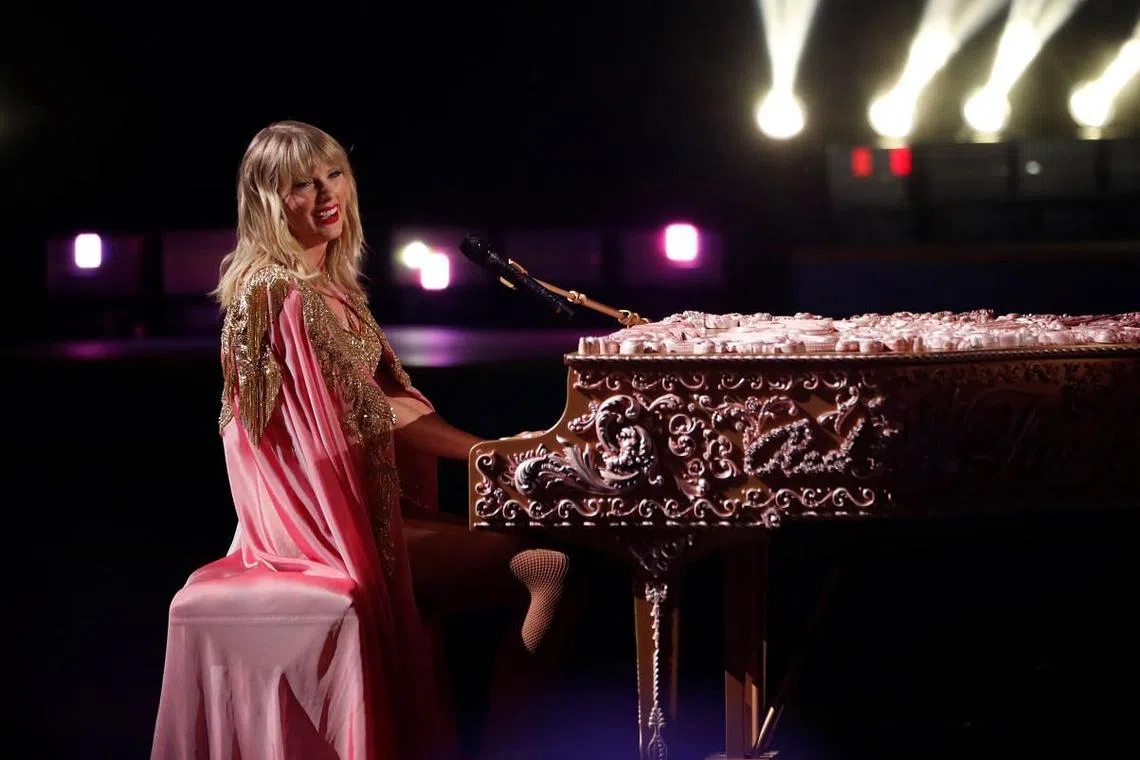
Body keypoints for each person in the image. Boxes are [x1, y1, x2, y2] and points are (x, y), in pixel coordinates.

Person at [151, 120, 570, 760]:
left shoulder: (329, 287)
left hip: (348, 508)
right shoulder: (278, 292)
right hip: (314, 530)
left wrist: (502, 448)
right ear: (269, 200)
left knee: (543, 556)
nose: (327, 195)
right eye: (303, 184)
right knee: (547, 567)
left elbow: (389, 401)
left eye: (334, 175)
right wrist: (492, 452)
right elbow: (367, 415)